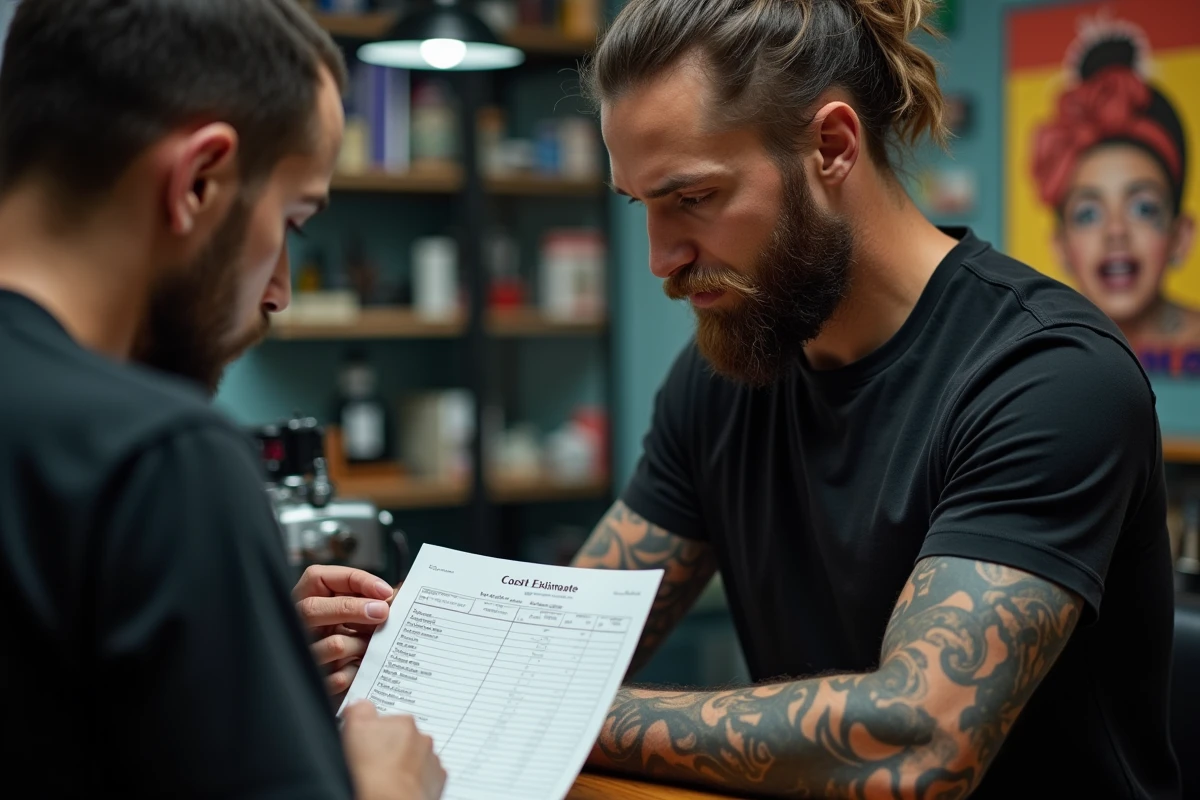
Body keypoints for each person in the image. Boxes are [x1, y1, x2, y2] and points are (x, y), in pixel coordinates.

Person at [308, 0, 1181, 797]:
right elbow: (560, 642)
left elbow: (916, 744)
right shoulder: (729, 368)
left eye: (692, 198)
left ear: (832, 146)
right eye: (641, 205)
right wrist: (392, 649)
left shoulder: (1046, 377)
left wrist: (553, 707)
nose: (661, 258)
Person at [0, 1, 444, 797]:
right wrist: (385, 785)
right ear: (199, 182)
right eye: (291, 219)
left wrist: (235, 660)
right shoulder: (159, 457)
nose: (278, 294)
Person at [1034, 25, 1199, 347]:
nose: (1116, 231)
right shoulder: (1042, 350)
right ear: (1060, 245)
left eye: (1143, 208)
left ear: (1181, 236)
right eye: (1088, 214)